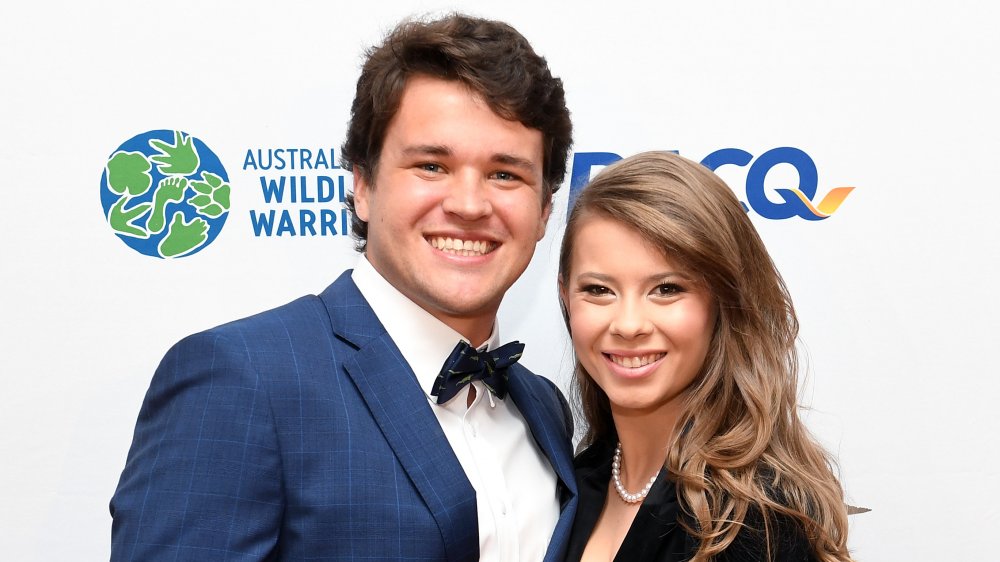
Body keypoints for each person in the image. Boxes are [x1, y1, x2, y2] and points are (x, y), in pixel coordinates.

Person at [110, 14, 576, 562]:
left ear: (545, 210)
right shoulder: (241, 379)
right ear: (362, 185)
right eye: (431, 165)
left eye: (505, 174)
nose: (469, 205)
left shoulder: (544, 405)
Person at [558, 151, 853, 562]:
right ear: (564, 296)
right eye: (598, 290)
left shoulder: (755, 522)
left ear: (723, 302)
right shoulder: (573, 482)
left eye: (666, 289)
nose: (628, 324)